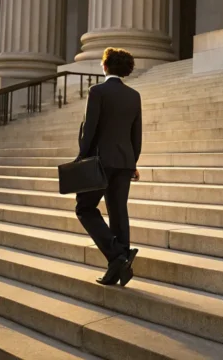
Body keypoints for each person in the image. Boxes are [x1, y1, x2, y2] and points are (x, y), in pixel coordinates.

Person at [75, 47, 143, 286]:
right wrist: (133, 162)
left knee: (84, 208)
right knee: (118, 210)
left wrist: (81, 157)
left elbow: (90, 130)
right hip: (124, 162)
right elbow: (137, 134)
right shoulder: (134, 95)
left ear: (105, 66)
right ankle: (118, 265)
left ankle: (117, 254)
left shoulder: (97, 91)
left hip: (100, 162)